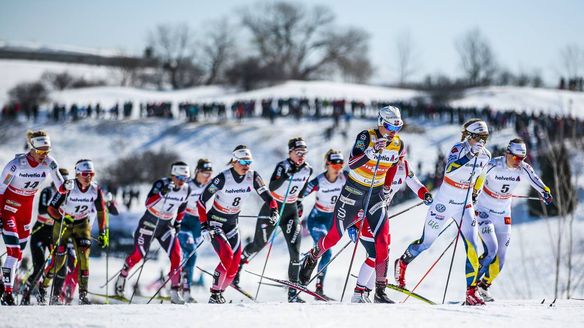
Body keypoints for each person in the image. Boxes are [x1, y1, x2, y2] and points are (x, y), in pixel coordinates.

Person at [299, 106, 404, 303]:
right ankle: (312, 257)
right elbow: (353, 163)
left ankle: (380, 291)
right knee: (333, 238)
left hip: (375, 196)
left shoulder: (398, 143)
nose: (393, 132)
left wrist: (388, 189)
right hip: (353, 194)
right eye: (390, 126)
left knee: (383, 242)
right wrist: (371, 153)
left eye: (397, 127)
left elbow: (392, 167)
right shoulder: (366, 137)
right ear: (381, 122)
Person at [395, 118, 492, 306]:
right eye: (479, 137)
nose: (482, 141)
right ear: (470, 136)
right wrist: (470, 155)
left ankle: (471, 292)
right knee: (426, 244)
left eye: (485, 137)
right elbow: (450, 170)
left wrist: (476, 192)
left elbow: (481, 175)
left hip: (464, 206)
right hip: (444, 203)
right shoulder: (459, 148)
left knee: (472, 246)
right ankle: (402, 263)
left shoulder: (485, 155)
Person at [473, 138, 553, 302]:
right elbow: (479, 178)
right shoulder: (494, 164)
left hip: (503, 214)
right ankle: (471, 288)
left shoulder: (523, 168)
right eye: (516, 157)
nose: (518, 162)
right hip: (484, 211)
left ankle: (484, 286)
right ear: (507, 153)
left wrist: (545, 192)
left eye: (522, 158)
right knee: (491, 250)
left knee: (500, 261)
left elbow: (535, 179)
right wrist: (474, 192)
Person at [349, 148, 433, 303]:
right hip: (365, 213)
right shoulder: (378, 166)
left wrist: (425, 194)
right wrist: (352, 222)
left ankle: (366, 292)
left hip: (381, 213)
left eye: (400, 158)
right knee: (375, 253)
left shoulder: (404, 167)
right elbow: (358, 190)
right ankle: (357, 293)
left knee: (383, 253)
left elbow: (415, 183)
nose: (397, 162)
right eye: (395, 159)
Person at [196, 145, 276, 303]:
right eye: (242, 162)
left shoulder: (253, 177)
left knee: (234, 266)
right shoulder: (223, 178)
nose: (246, 165)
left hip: (232, 225)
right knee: (227, 256)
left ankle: (219, 294)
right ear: (234, 161)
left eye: (249, 162)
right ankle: (214, 294)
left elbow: (268, 197)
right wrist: (204, 226)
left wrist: (274, 210)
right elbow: (201, 201)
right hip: (215, 223)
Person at [0, 130, 70, 305]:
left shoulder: (49, 163)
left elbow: (60, 185)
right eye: (40, 151)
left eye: (47, 151)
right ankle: (7, 294)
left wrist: (66, 186)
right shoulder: (15, 165)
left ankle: (4, 283)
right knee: (14, 251)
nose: (43, 155)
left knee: (18, 254)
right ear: (32, 148)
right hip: (9, 208)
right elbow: (0, 190)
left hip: (26, 211)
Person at [239, 137, 313, 303]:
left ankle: (293, 292)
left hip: (290, 211)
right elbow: (270, 187)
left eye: (304, 153)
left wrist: (299, 202)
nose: (301, 156)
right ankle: (237, 267)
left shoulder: (308, 170)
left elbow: (301, 191)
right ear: (290, 153)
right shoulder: (283, 166)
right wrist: (287, 175)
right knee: (259, 244)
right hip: (273, 208)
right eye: (298, 152)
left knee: (295, 251)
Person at [115, 161, 191, 304]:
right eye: (180, 178)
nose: (182, 181)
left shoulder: (186, 189)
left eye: (185, 178)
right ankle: (122, 278)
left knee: (177, 256)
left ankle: (175, 291)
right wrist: (162, 194)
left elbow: (182, 207)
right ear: (173, 175)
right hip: (149, 223)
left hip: (165, 226)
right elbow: (148, 203)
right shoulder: (161, 184)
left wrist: (178, 222)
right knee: (139, 255)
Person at [37, 159, 108, 305]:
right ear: (77, 174)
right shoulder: (68, 186)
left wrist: (103, 232)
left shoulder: (96, 189)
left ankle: (83, 295)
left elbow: (101, 212)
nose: (88, 177)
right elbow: (51, 209)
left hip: (82, 224)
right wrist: (62, 217)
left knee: (84, 259)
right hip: (63, 224)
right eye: (85, 174)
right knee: (59, 261)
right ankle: (43, 288)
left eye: (91, 174)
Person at [20, 168, 70, 305]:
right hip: (40, 232)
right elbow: (43, 209)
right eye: (61, 179)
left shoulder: (69, 194)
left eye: (66, 180)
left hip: (55, 232)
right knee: (39, 266)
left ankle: (54, 296)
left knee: (61, 266)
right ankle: (26, 293)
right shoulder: (47, 191)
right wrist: (60, 213)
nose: (63, 182)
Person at [301, 149, 346, 299]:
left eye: (341, 163)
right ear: (327, 164)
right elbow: (300, 194)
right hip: (317, 220)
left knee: (325, 252)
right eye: (334, 163)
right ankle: (311, 278)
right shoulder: (319, 181)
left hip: (332, 220)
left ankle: (318, 286)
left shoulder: (344, 178)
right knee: (326, 251)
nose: (338, 167)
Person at [178, 158, 213, 303]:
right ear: (197, 172)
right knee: (191, 254)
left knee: (189, 257)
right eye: (205, 173)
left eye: (210, 174)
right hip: (185, 222)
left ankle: (182, 286)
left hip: (198, 225)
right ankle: (184, 289)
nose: (208, 177)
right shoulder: (188, 186)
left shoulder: (211, 187)